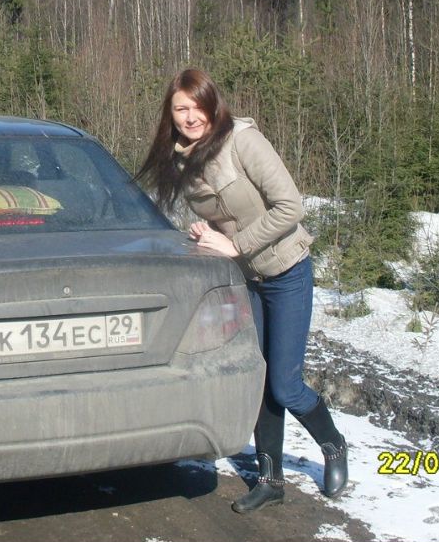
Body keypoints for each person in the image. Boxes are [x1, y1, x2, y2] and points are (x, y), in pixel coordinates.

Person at [136, 68, 347, 513]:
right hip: (248, 277)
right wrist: (206, 232)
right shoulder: (180, 160)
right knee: (259, 379)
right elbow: (220, 215)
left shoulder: (243, 141)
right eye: (180, 109)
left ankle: (333, 444)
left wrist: (235, 244)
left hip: (287, 271)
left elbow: (290, 206)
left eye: (196, 106)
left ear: (212, 105)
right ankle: (270, 480)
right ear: (170, 115)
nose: (189, 117)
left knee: (286, 385)